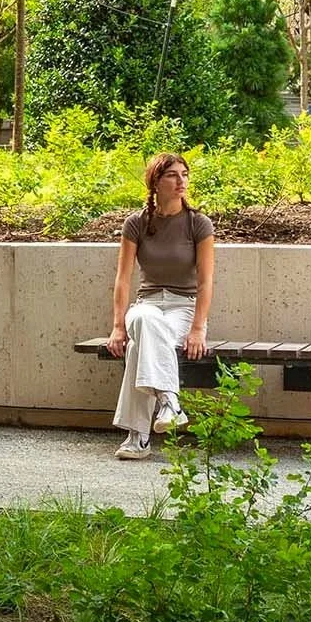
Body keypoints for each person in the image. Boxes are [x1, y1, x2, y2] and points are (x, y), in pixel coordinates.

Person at [103, 151, 214, 461]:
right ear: (155, 181)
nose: (181, 181)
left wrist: (198, 329)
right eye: (172, 175)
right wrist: (116, 327)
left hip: (183, 308)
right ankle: (169, 401)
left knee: (140, 345)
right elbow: (123, 279)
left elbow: (205, 282)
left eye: (185, 174)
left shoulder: (198, 224)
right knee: (142, 321)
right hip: (147, 304)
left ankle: (137, 438)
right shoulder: (136, 223)